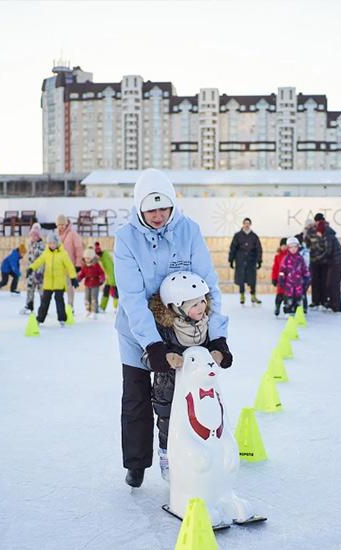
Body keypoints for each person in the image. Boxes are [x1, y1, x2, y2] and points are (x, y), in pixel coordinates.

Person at [114, 168, 230, 489]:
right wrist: (152, 344)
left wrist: (218, 335)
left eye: (163, 208)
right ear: (139, 208)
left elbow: (209, 283)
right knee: (136, 397)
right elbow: (132, 298)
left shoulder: (188, 230)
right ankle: (137, 463)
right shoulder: (126, 238)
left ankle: (182, 458)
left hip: (183, 326)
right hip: (138, 331)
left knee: (179, 395)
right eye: (150, 209)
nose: (158, 215)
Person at [147, 271, 224, 481]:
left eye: (202, 301)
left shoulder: (205, 325)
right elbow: (147, 356)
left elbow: (212, 346)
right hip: (169, 388)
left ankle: (205, 458)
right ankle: (167, 459)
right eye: (194, 304)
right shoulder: (166, 329)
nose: (201, 307)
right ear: (176, 307)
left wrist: (219, 352)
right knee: (168, 424)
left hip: (198, 389)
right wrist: (165, 358)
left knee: (203, 418)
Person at [29, 232, 78, 326]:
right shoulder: (46, 253)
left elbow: (69, 266)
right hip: (48, 283)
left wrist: (73, 278)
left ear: (57, 243)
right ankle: (40, 318)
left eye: (53, 243)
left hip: (59, 283)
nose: (52, 245)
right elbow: (39, 261)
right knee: (44, 301)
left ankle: (62, 319)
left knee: (59, 301)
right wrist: (32, 268)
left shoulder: (63, 254)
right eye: (50, 243)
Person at [228, 217, 263, 305]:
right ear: (243, 224)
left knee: (252, 279)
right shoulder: (237, 235)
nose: (246, 225)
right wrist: (231, 260)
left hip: (251, 260)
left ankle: (253, 296)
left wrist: (259, 260)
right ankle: (242, 295)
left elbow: (259, 249)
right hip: (240, 260)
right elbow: (233, 248)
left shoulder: (254, 236)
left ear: (250, 224)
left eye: (248, 223)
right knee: (241, 278)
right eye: (245, 223)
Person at [55, 214, 84, 312]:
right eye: (59, 225)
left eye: (63, 224)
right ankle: (61, 308)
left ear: (66, 224)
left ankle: (70, 306)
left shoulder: (72, 234)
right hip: (58, 267)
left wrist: (78, 264)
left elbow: (78, 249)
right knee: (59, 289)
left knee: (69, 287)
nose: (61, 226)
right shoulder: (56, 235)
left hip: (70, 266)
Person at [278, 236, 310, 314]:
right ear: (288, 248)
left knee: (298, 301)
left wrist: (307, 279)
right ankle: (288, 312)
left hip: (298, 285)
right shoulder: (286, 259)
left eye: (295, 247)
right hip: (288, 285)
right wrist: (281, 280)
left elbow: (305, 270)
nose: (293, 249)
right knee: (289, 300)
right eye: (291, 247)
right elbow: (282, 271)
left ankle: (298, 313)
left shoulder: (300, 259)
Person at [304, 215, 327, 309]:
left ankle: (317, 301)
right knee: (320, 281)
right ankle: (321, 301)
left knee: (317, 281)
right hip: (321, 259)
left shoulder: (311, 231)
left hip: (316, 259)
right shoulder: (324, 229)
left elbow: (307, 243)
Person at [22, 223, 45, 315]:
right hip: (31, 271)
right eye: (32, 235)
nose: (33, 237)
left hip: (39, 273)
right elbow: (29, 258)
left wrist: (39, 272)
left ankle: (43, 308)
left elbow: (42, 260)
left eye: (35, 235)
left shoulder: (41, 246)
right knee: (29, 289)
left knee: (41, 291)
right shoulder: (31, 244)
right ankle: (29, 306)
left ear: (38, 236)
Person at [78, 246, 106, 318]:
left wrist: (102, 278)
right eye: (86, 258)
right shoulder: (84, 266)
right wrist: (78, 278)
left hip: (95, 284)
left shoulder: (96, 265)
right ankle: (88, 310)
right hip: (87, 284)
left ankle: (94, 311)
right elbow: (82, 273)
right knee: (87, 298)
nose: (87, 260)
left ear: (92, 258)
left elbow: (101, 273)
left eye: (89, 258)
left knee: (94, 298)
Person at [95, 241, 119, 312]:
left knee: (115, 293)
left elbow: (111, 269)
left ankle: (116, 308)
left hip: (113, 279)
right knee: (105, 292)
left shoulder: (105, 257)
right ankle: (102, 307)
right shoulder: (102, 258)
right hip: (109, 279)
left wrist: (113, 282)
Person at [270, 238, 287, 316]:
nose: (284, 247)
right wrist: (274, 278)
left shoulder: (289, 256)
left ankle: (287, 308)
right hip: (280, 279)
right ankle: (277, 307)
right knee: (279, 294)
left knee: (287, 295)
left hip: (288, 280)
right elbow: (275, 268)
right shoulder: (278, 256)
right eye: (282, 245)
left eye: (285, 245)